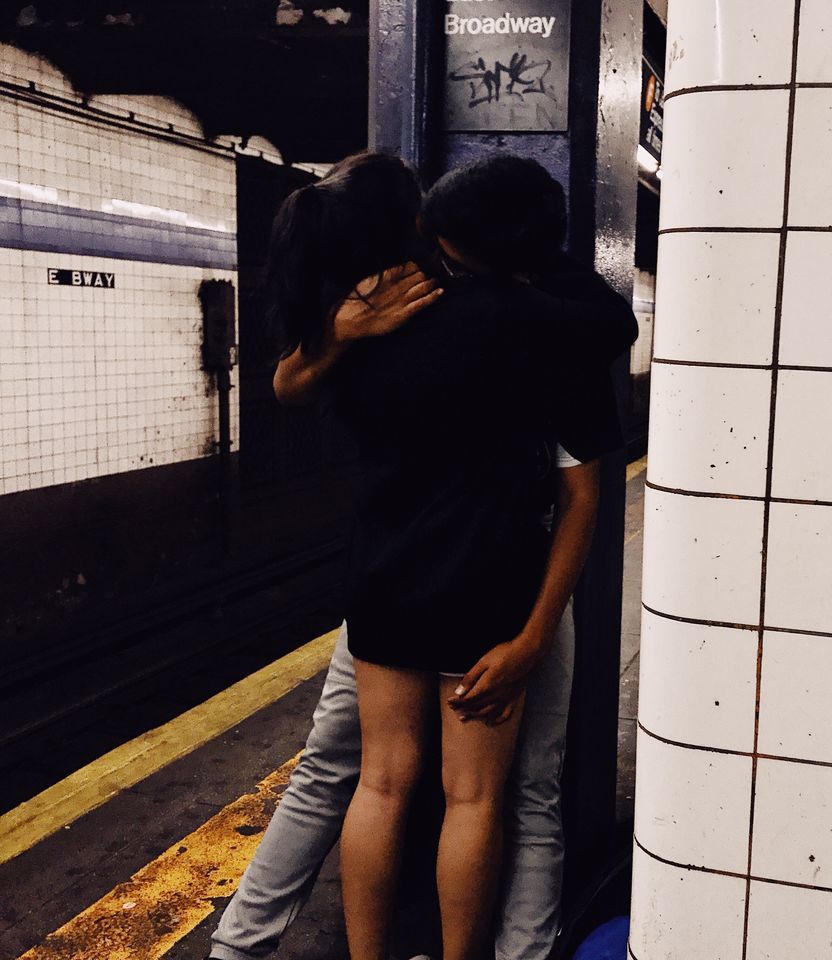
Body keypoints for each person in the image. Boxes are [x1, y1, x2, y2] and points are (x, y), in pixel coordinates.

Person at [207, 153, 636, 960]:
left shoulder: (365, 327)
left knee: (379, 783)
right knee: (476, 798)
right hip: (490, 587)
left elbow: (289, 387)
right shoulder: (528, 322)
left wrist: (337, 328)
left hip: (384, 584)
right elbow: (612, 328)